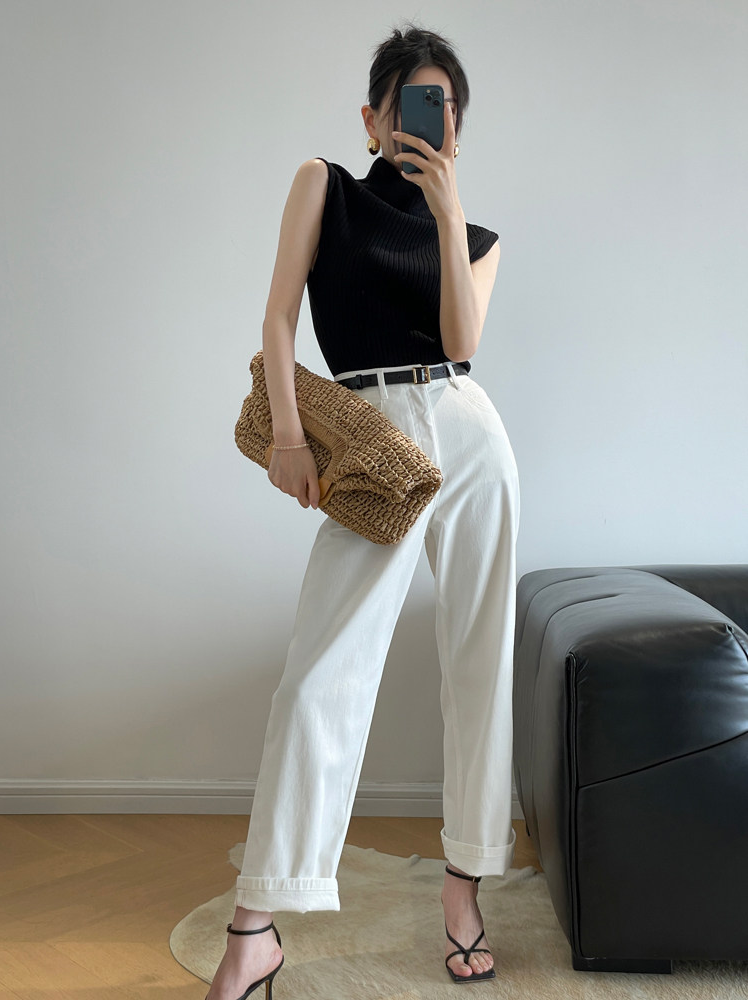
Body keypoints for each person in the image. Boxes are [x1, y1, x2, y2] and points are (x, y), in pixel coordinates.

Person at [206, 23, 520, 1000]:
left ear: (457, 127)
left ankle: (464, 888)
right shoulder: (324, 186)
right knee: (319, 678)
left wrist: (449, 209)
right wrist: (289, 437)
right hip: (376, 441)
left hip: (468, 432)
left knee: (481, 660)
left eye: (444, 108)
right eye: (410, 103)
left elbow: (461, 346)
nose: (428, 120)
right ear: (373, 116)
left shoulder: (478, 237)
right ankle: (257, 927)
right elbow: (277, 317)